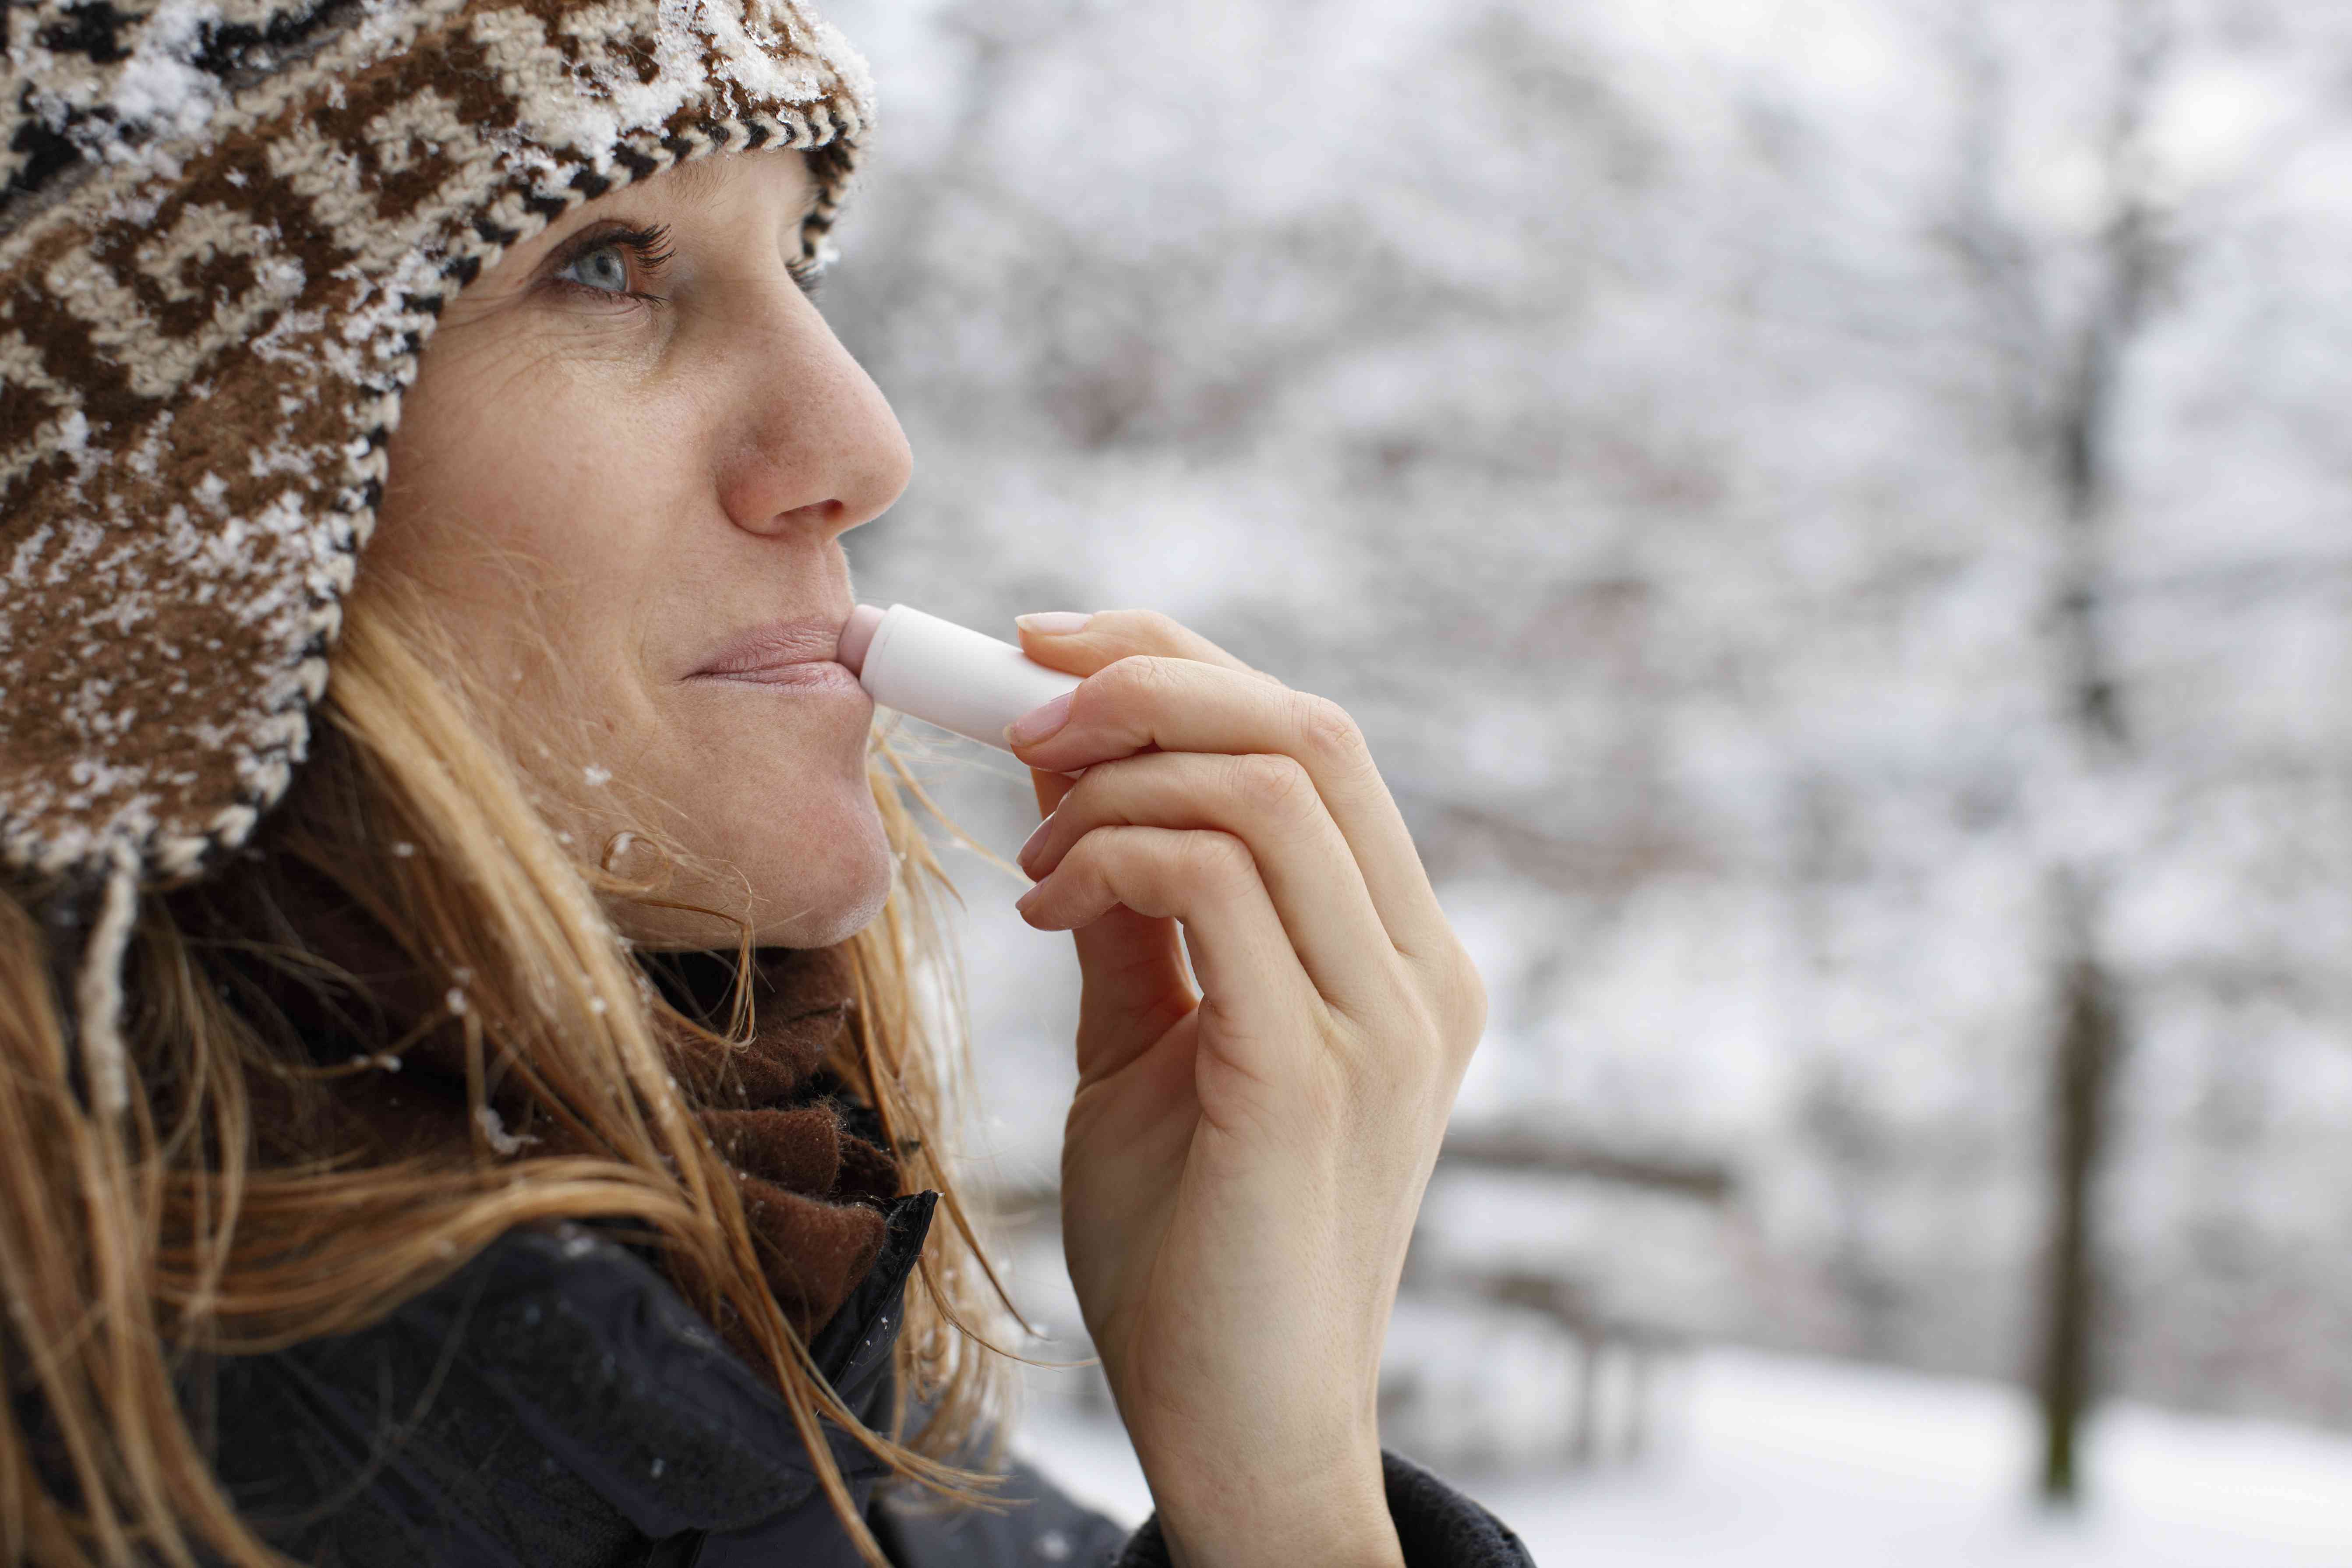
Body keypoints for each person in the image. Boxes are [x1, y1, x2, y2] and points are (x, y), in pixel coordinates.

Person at [0, 3, 1530, 1564]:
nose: (862, 443)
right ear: (164, 527)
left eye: (798, 260)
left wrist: (1279, 1498)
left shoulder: (806, 1369)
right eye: (602, 262)